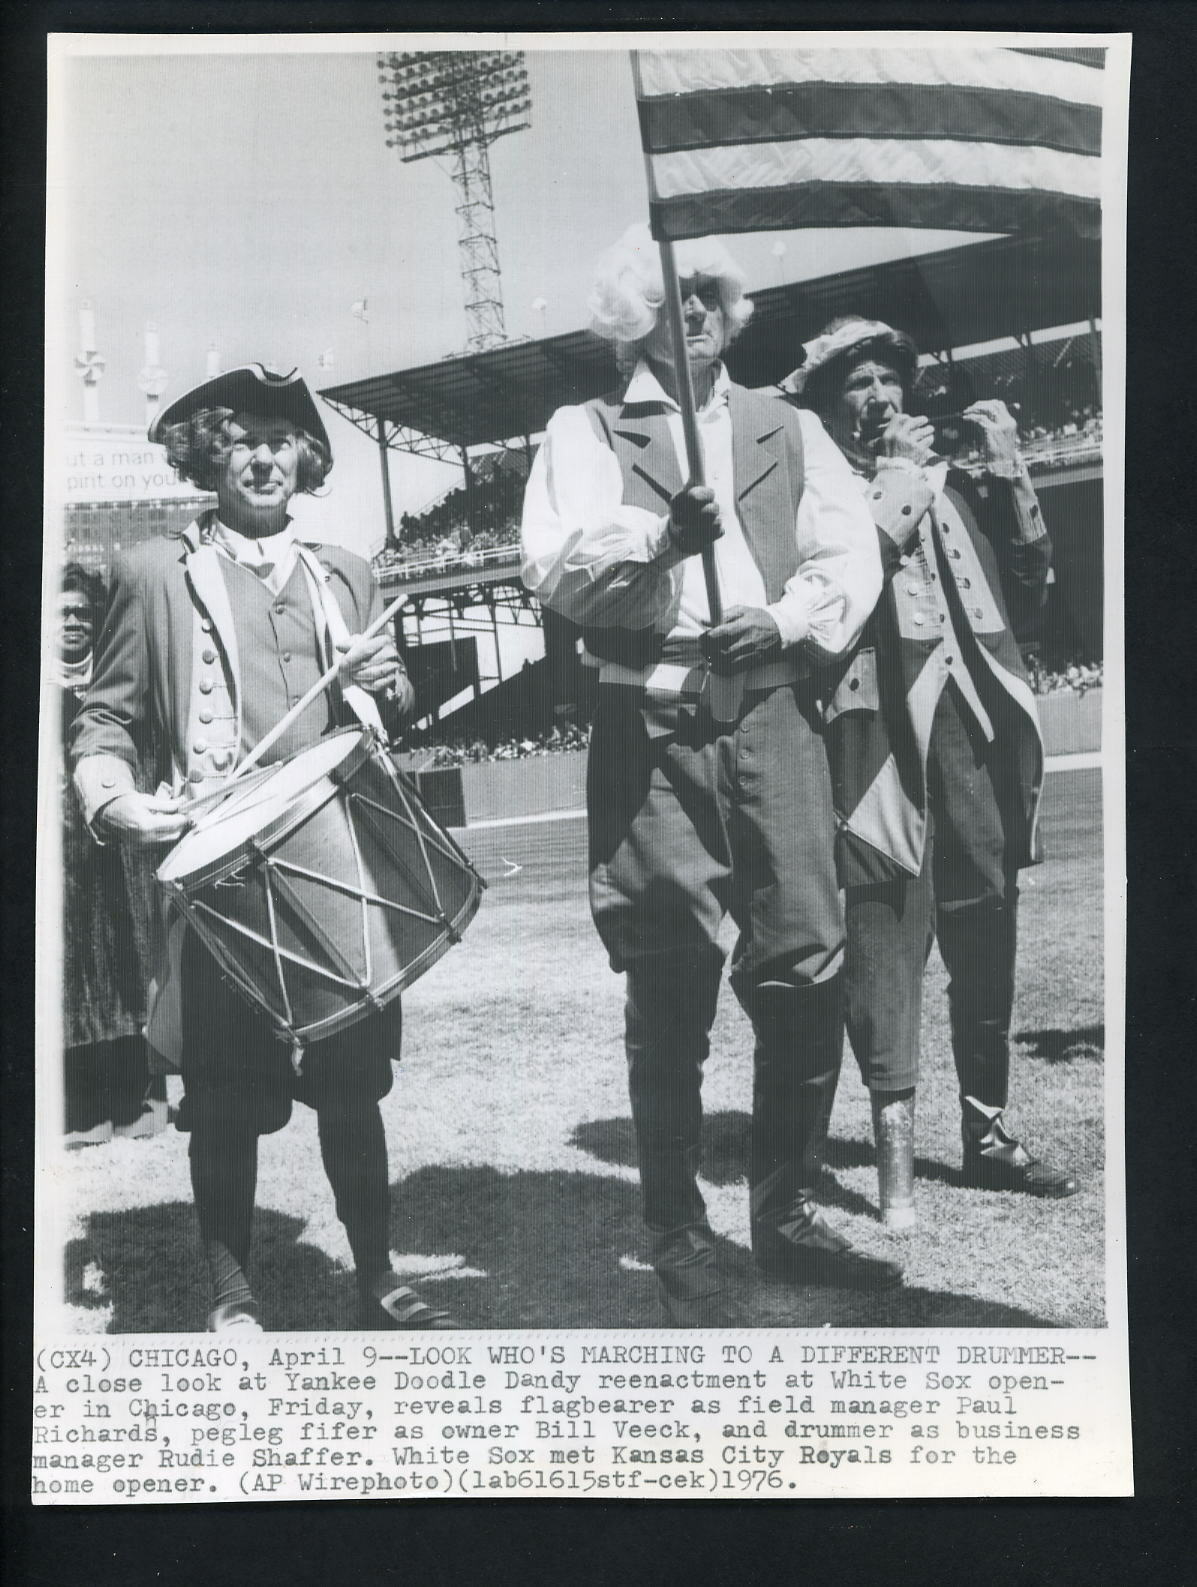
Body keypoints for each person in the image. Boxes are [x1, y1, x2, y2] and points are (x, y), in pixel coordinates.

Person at [521, 227, 900, 1326]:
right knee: (671, 981)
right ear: (632, 312)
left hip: (775, 706)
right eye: (670, 294)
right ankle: (675, 1228)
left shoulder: (788, 424)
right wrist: (661, 542)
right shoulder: (586, 430)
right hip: (651, 719)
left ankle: (781, 1214)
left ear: (733, 315)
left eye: (710, 295)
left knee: (805, 971)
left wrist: (782, 617)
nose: (692, 310)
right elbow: (558, 570)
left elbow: (849, 558)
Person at [70, 364, 457, 1333]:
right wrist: (111, 798)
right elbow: (104, 721)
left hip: (336, 867)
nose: (263, 454)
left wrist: (385, 683)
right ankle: (232, 1291)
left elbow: (390, 708)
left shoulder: (346, 571)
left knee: (354, 1089)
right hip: (221, 880)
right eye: (240, 437)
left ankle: (376, 1270)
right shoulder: (155, 573)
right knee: (224, 1101)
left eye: (282, 438)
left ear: (305, 457)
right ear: (208, 454)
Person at [786, 317, 1078, 1229]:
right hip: (874, 745)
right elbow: (833, 602)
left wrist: (1012, 469)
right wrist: (894, 483)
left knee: (987, 917)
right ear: (827, 405)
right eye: (856, 385)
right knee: (884, 937)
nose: (878, 398)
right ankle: (892, 1158)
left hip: (974, 733)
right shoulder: (819, 489)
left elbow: (1028, 601)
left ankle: (986, 1132)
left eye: (886, 380)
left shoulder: (948, 483)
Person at [57, 563, 165, 1147]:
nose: (74, 621)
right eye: (63, 612)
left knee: (130, 967)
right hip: (62, 862)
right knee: (72, 979)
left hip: (117, 847)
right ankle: (83, 1111)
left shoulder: (115, 683)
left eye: (83, 612)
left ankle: (140, 1103)